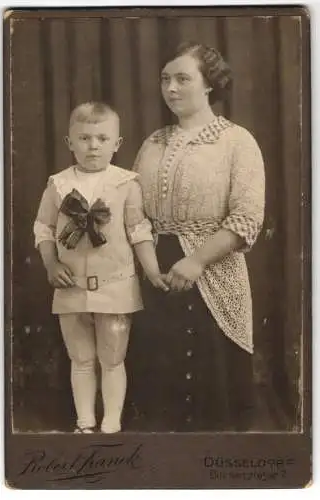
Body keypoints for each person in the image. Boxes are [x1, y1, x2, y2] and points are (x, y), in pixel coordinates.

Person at [125, 42, 265, 432]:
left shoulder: (237, 141)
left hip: (212, 271)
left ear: (209, 85)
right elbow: (132, 210)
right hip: (154, 273)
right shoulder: (152, 142)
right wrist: (150, 265)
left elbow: (247, 217)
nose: (170, 88)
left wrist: (197, 260)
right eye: (165, 79)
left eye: (182, 79)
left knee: (211, 399)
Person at [33, 102, 168, 434]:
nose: (93, 146)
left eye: (101, 138)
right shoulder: (58, 185)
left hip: (116, 285)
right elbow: (43, 229)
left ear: (116, 144)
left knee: (112, 358)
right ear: (70, 143)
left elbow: (139, 232)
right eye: (84, 138)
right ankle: (84, 422)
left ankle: (111, 423)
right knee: (80, 359)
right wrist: (51, 265)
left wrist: (152, 271)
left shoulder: (126, 184)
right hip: (71, 287)